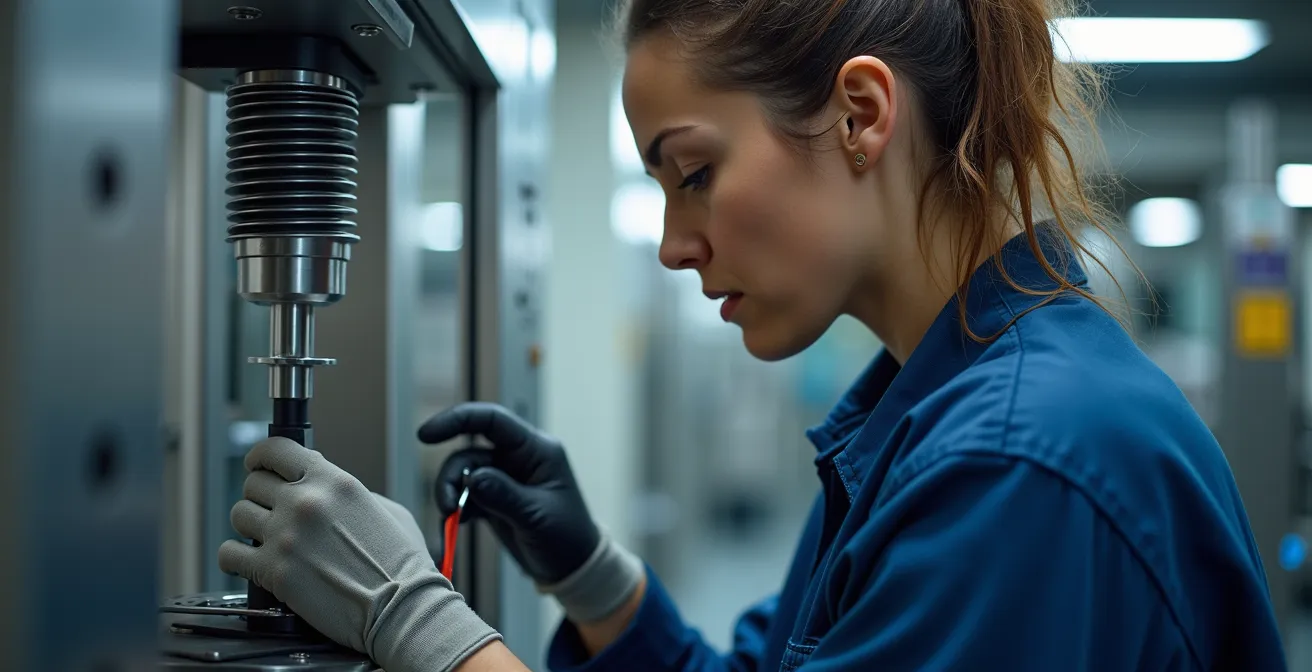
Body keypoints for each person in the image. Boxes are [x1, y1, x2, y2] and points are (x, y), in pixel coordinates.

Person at [217, 0, 1289, 669]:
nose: (675, 245)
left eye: (694, 174)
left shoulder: (1018, 464)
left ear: (862, 115)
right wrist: (597, 582)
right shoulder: (925, 413)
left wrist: (421, 628)